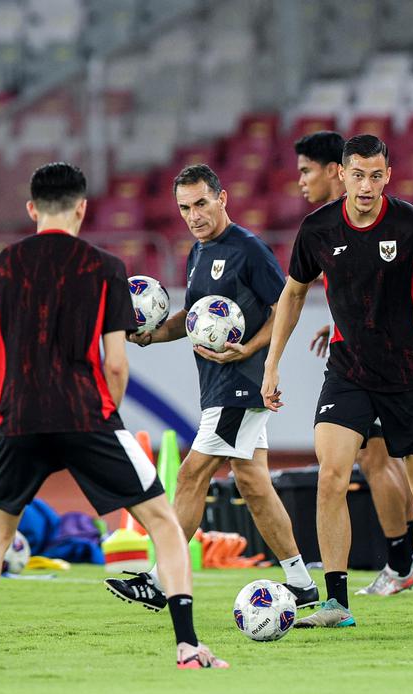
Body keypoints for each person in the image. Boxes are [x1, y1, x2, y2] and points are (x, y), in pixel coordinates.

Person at [0, 162, 226, 670]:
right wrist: (106, 416)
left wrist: (2, 415)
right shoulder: (105, 267)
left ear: (32, 209)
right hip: (87, 415)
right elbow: (116, 364)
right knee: (164, 524)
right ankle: (188, 646)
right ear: (82, 207)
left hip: (18, 419)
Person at [261, 134, 413, 627]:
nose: (367, 185)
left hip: (411, 373)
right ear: (341, 174)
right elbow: (293, 295)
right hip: (349, 372)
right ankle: (336, 603)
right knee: (330, 477)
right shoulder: (316, 229)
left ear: (389, 176)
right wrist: (272, 363)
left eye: (377, 175)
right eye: (358, 175)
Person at [105, 164, 318, 610]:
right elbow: (194, 320)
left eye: (201, 203)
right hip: (220, 384)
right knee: (254, 483)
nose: (194, 215)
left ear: (223, 198)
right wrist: (149, 335)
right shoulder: (198, 253)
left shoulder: (248, 250)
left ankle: (161, 581)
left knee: (190, 474)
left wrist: (252, 351)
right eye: (184, 207)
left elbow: (285, 308)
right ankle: (301, 583)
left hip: (240, 383)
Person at [294, 131, 413, 595]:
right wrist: (339, 321)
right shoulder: (325, 226)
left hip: (392, 362)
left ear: (334, 172)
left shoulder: (380, 217)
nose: (301, 182)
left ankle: (401, 559)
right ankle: (401, 557)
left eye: (307, 170)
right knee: (370, 459)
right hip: (354, 356)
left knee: (377, 458)